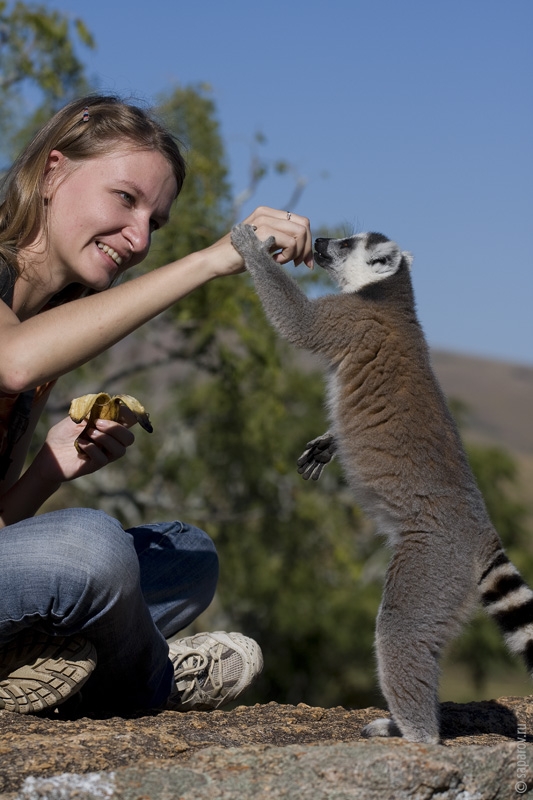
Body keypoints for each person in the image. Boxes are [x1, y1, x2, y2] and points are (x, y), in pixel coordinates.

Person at [0, 94, 313, 715]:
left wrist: (48, 469)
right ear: (53, 171)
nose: (140, 238)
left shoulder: (49, 321)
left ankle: (34, 671)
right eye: (125, 199)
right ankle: (150, 682)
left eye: (156, 222)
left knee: (187, 554)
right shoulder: (27, 344)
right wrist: (211, 259)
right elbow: (14, 360)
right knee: (90, 547)